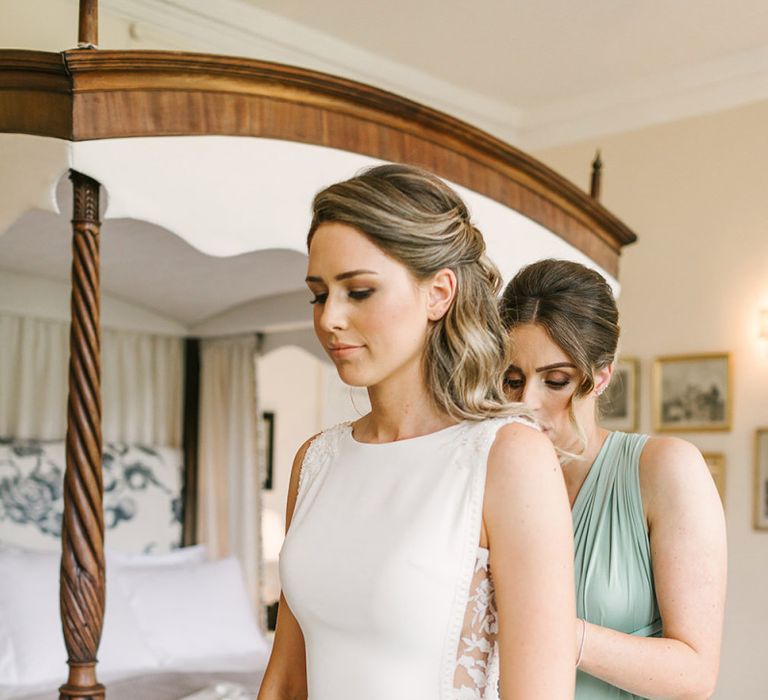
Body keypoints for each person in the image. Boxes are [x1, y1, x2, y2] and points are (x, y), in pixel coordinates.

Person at [257, 165, 576, 700]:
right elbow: (287, 677)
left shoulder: (509, 457)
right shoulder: (315, 460)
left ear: (439, 293)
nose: (329, 318)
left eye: (358, 291)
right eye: (318, 294)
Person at [499, 259, 727, 700]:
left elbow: (696, 675)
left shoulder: (666, 469)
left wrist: (558, 632)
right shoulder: (488, 474)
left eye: (556, 380)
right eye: (512, 380)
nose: (526, 402)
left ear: (601, 376)